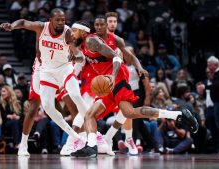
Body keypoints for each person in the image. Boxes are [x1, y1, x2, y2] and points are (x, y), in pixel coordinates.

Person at [69, 21, 198, 157]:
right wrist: (75, 58)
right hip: (106, 86)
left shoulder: (92, 41)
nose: (72, 34)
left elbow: (117, 57)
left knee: (129, 113)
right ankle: (91, 147)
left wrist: (113, 77)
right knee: (89, 115)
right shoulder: (82, 46)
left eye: (74, 31)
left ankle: (178, 115)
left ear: (83, 32)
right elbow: (85, 60)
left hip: (117, 79)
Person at [0, 8, 89, 156]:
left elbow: (78, 54)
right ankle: (23, 145)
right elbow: (22, 22)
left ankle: (89, 136)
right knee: (36, 106)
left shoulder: (67, 33)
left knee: (74, 100)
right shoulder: (41, 27)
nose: (61, 22)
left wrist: (78, 57)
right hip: (43, 69)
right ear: (50, 19)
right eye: (58, 20)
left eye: (63, 20)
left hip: (63, 69)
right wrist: (12, 25)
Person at [0, 85, 22, 150]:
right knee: (15, 123)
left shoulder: (17, 103)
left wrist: (18, 117)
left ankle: (21, 143)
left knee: (20, 122)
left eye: (4, 91)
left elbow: (22, 114)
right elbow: (0, 115)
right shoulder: (0, 103)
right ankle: (17, 143)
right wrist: (9, 116)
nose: (2, 93)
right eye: (1, 91)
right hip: (5, 124)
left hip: (16, 122)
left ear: (9, 92)